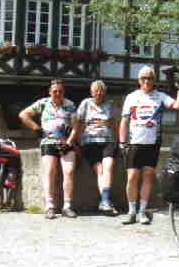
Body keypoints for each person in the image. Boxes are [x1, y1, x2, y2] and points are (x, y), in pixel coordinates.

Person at [119, 66, 179, 225]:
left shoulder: (159, 96)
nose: (146, 81)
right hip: (134, 143)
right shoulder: (131, 97)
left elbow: (178, 106)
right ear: (139, 80)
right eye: (143, 78)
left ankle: (142, 211)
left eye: (149, 78)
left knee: (147, 177)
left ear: (153, 80)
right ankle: (131, 211)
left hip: (152, 143)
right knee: (132, 177)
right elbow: (124, 121)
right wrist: (121, 142)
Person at [19, 79, 79, 220]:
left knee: (69, 171)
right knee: (50, 172)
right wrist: (38, 130)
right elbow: (23, 115)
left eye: (60, 91)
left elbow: (76, 126)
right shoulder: (43, 103)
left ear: (63, 92)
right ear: (50, 92)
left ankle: (67, 206)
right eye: (55, 91)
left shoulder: (70, 105)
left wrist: (70, 142)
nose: (58, 94)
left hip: (66, 143)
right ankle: (50, 206)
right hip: (48, 142)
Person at [76, 80, 119, 215]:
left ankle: (105, 201)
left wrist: (120, 141)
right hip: (90, 142)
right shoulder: (85, 103)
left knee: (109, 164)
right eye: (96, 90)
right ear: (91, 92)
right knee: (99, 169)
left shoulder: (110, 105)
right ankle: (106, 200)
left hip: (108, 141)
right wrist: (76, 140)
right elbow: (77, 121)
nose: (99, 93)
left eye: (101, 91)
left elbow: (115, 124)